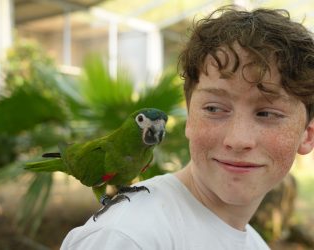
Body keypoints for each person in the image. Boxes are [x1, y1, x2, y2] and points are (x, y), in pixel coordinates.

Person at [61, 5, 314, 250]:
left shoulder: (254, 244)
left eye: (268, 113)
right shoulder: (127, 238)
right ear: (190, 119)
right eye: (214, 109)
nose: (237, 139)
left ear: (308, 135)